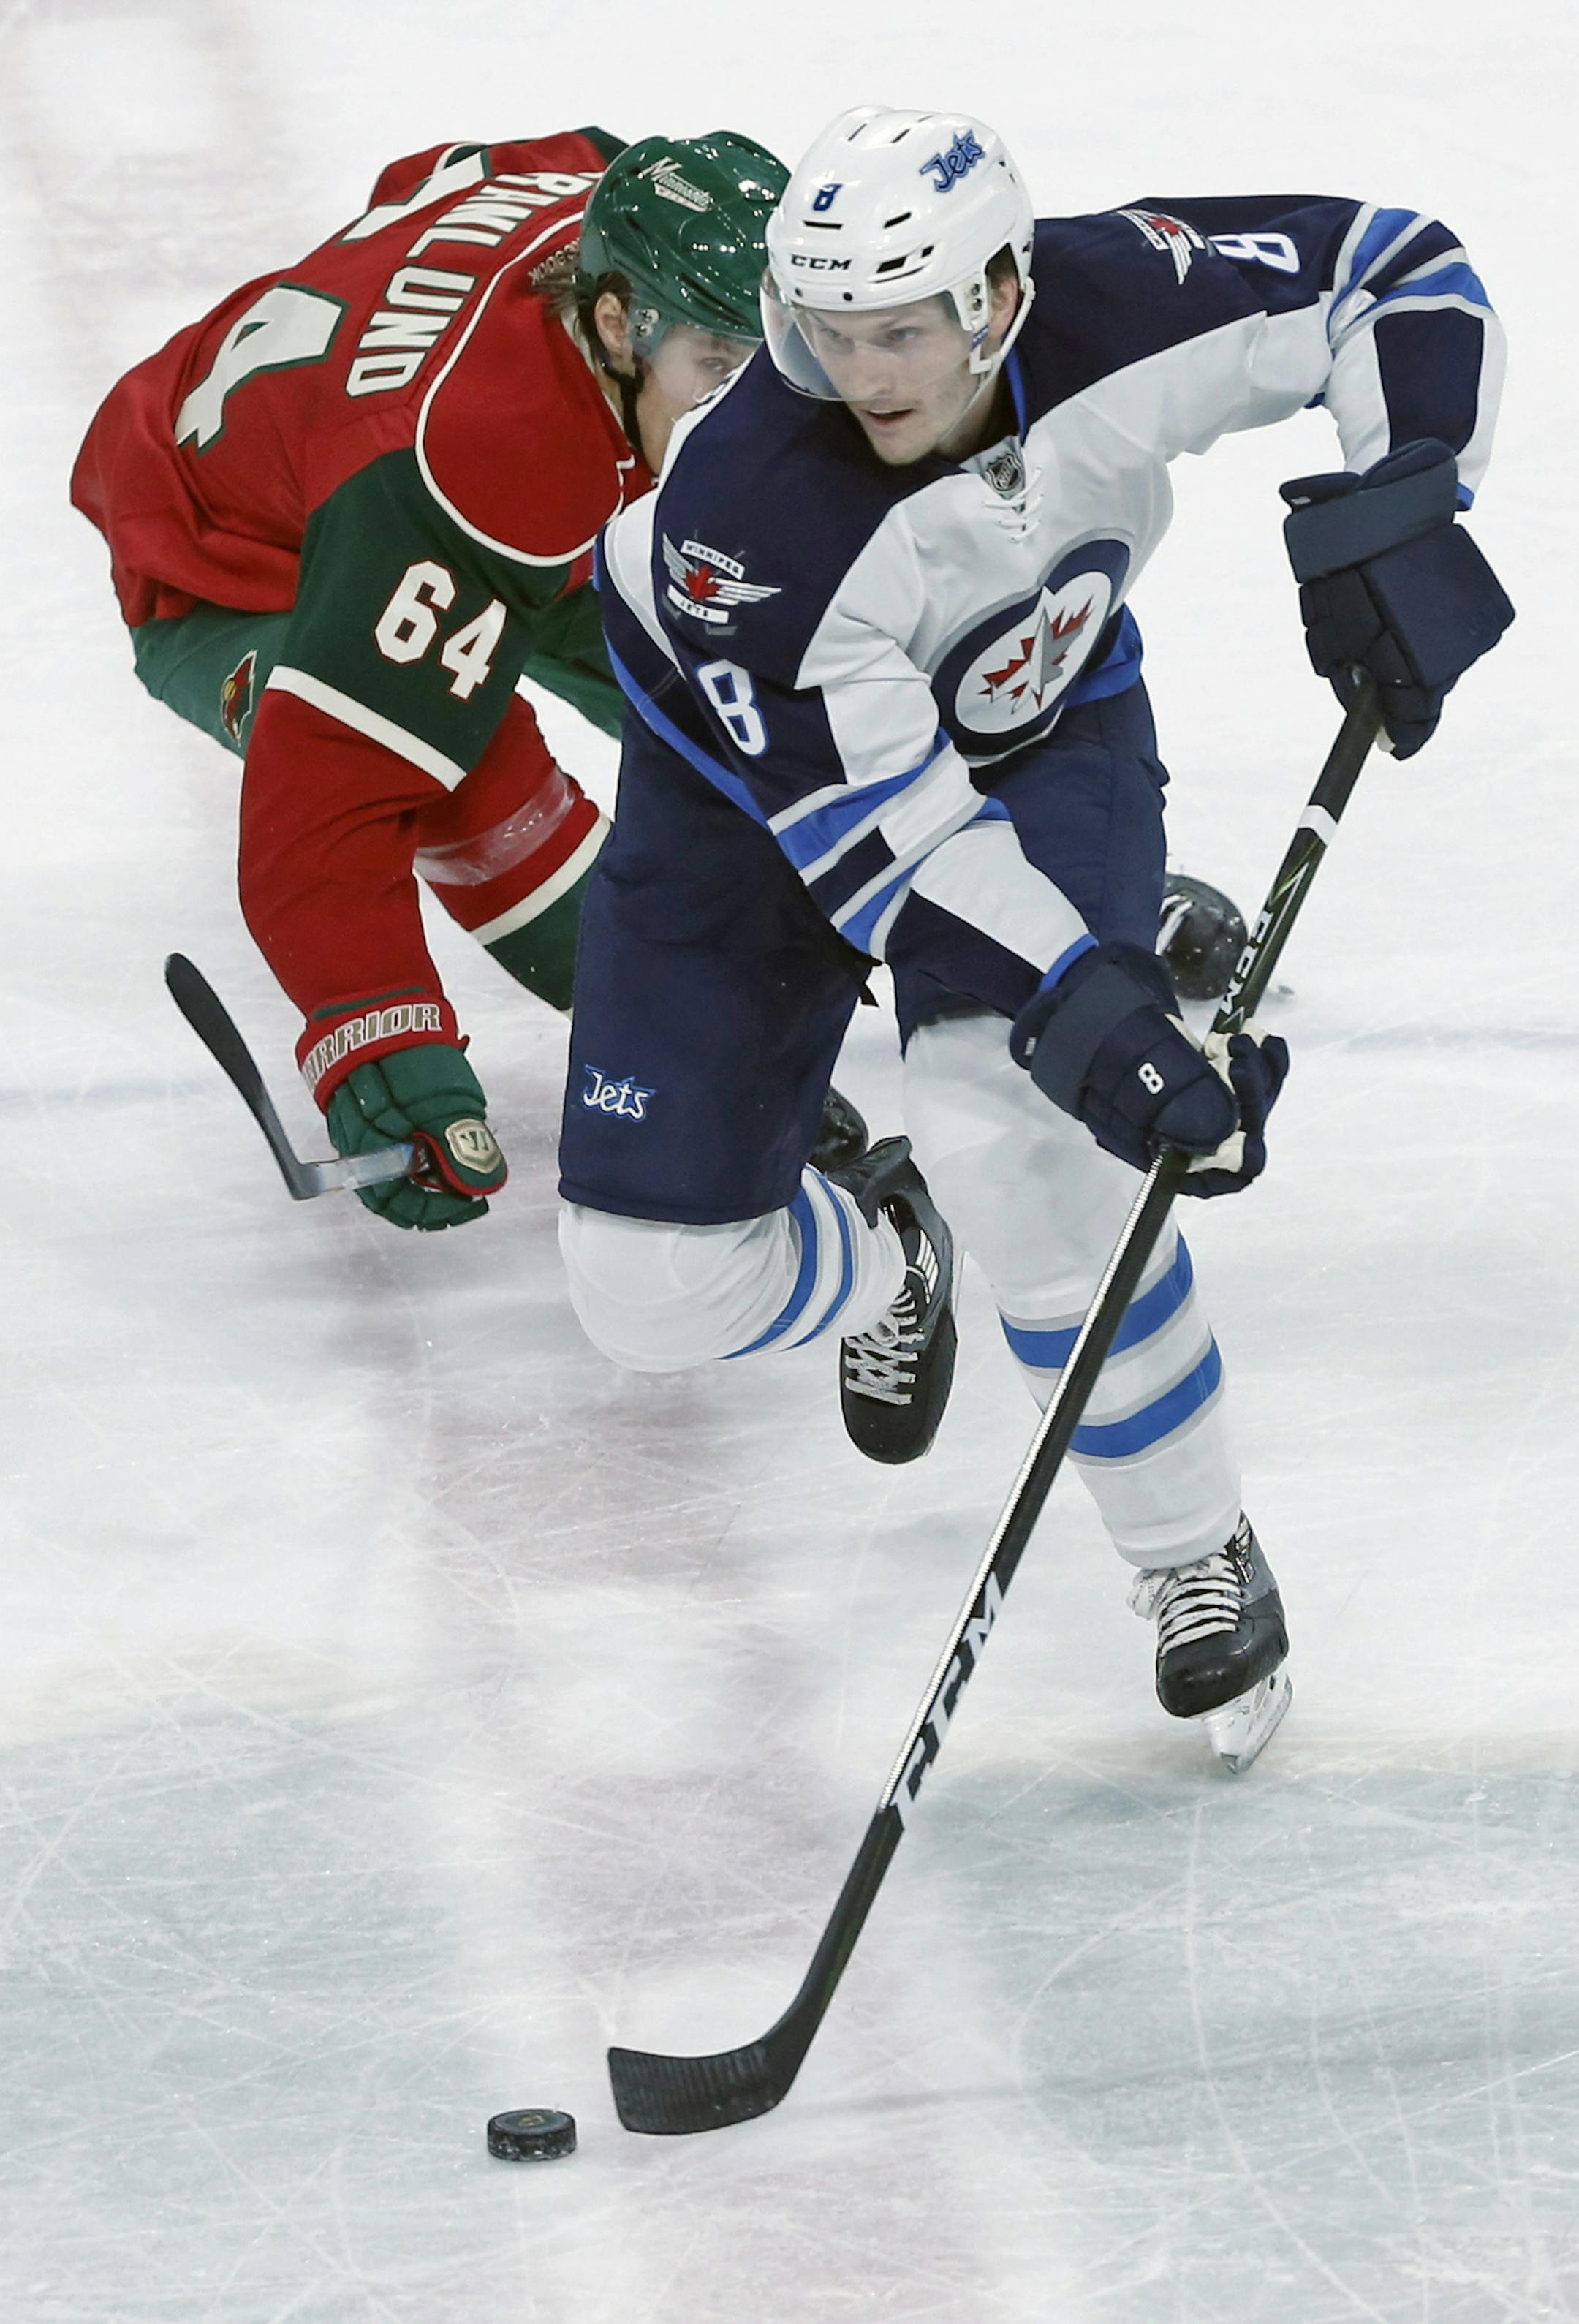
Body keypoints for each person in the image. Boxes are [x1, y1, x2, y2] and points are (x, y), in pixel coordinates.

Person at [558, 107, 1512, 1768]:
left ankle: (1188, 1549)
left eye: (905, 328)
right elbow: (889, 842)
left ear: (999, 292)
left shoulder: (1110, 300)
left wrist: (1404, 496)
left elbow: (1392, 272)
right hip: (750, 793)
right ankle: (886, 1261)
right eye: (829, 330)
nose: (865, 370)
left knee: (1019, 1138)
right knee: (652, 1292)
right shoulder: (751, 520)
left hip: (1040, 720)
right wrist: (1091, 998)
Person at [71, 128, 795, 1229]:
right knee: (459, 764)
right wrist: (385, 1046)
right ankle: (684, 1027)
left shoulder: (618, 220)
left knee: (747, 649)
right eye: (718, 365)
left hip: (398, 452)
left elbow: (446, 175)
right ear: (614, 322)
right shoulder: (467, 470)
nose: (753, 406)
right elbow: (324, 812)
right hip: (239, 566)